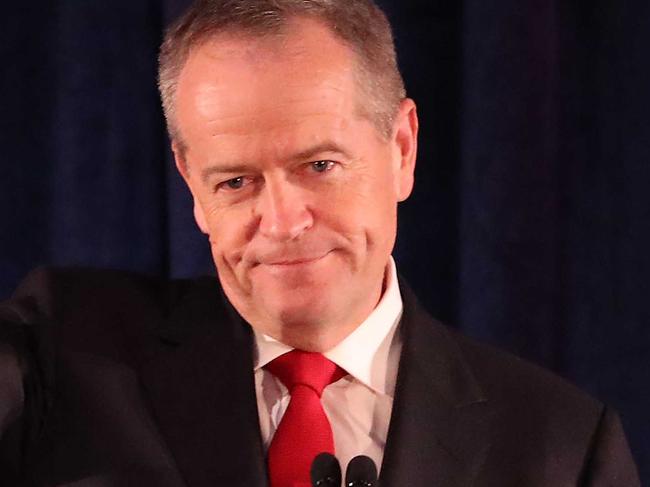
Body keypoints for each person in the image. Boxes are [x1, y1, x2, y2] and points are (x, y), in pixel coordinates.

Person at [0, 0, 641, 485]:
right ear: (191, 185)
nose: (280, 222)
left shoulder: (561, 447)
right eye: (235, 180)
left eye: (319, 166)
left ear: (401, 150)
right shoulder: (60, 352)